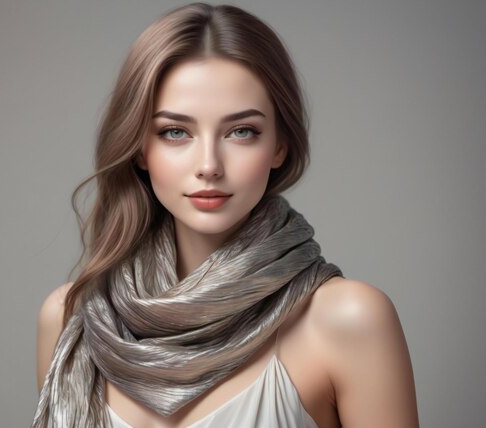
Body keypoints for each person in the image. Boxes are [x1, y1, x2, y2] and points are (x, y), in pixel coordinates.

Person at [32, 3, 419, 427]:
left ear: (279, 146)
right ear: (141, 149)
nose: (209, 164)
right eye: (175, 132)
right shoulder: (71, 319)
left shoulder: (348, 320)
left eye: (241, 131)